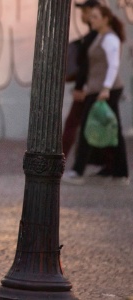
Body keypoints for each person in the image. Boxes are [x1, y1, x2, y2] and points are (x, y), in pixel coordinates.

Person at [63, 5, 129, 186]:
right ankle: (119, 172)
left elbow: (114, 65)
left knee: (92, 127)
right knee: (109, 129)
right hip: (97, 89)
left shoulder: (110, 38)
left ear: (105, 19)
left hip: (105, 91)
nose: (91, 20)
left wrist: (106, 89)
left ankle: (79, 170)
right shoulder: (98, 37)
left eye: (95, 17)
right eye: (91, 17)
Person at [62, 0, 100, 160]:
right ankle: (109, 164)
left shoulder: (96, 36)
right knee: (96, 123)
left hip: (89, 88)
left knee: (74, 124)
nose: (82, 15)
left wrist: (81, 87)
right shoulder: (94, 35)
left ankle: (61, 159)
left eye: (84, 11)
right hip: (94, 87)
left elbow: (88, 65)